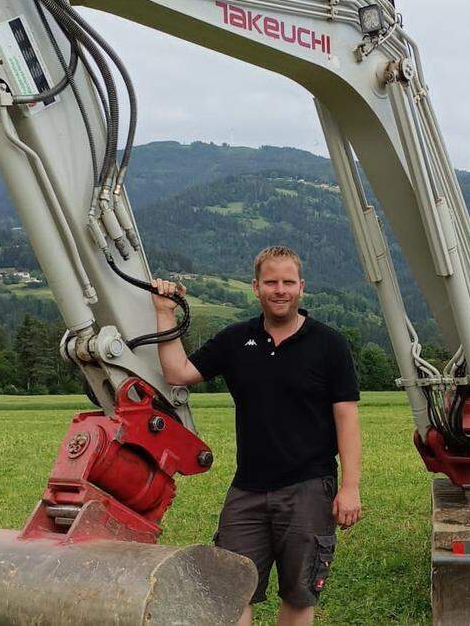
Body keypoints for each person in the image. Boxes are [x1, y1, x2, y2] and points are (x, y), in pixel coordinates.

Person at [150, 245, 363, 626]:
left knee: (299, 595)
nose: (279, 290)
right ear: (255, 287)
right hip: (247, 490)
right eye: (271, 282)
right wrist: (164, 312)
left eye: (287, 282)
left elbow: (346, 416)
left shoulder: (329, 344)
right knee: (232, 591)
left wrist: (350, 487)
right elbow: (178, 372)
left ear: (301, 287)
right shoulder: (236, 340)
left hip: (310, 486)